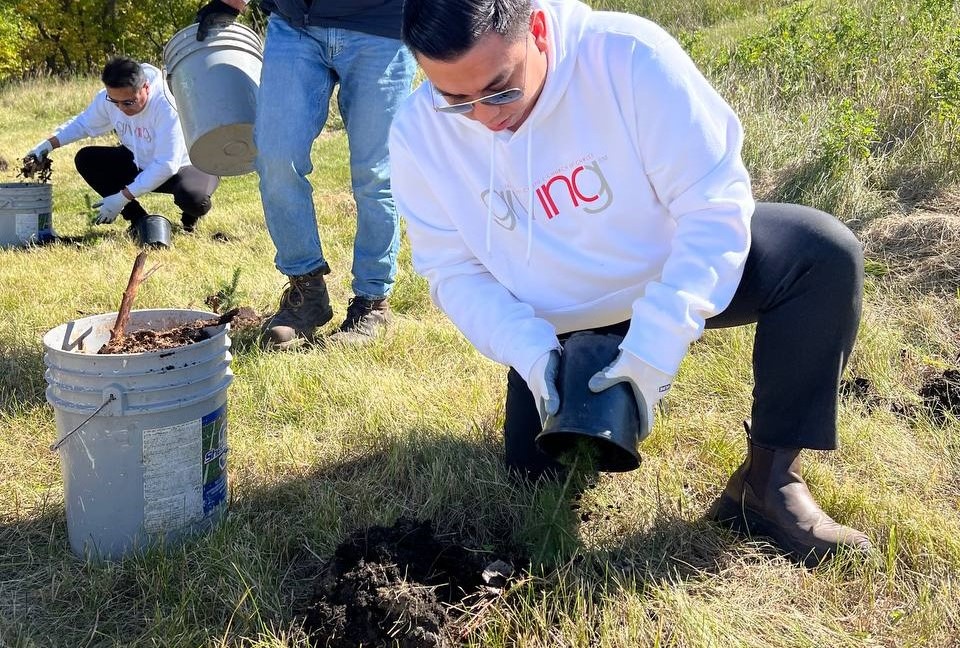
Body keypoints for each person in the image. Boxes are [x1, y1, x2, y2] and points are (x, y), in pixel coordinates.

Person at [390, 0, 872, 567]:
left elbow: (712, 206)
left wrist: (657, 344)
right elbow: (453, 270)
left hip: (662, 272)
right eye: (455, 100)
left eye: (499, 89)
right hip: (559, 321)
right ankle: (572, 373)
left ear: (538, 29)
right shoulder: (418, 135)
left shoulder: (628, 58)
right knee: (533, 473)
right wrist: (530, 352)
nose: (484, 116)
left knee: (821, 253)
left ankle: (767, 482)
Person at [194, 0, 416, 348]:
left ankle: (372, 303)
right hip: (295, 24)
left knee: (375, 175)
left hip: (382, 28)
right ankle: (306, 293)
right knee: (276, 158)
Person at [25, 57, 219, 237]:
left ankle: (189, 219)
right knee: (87, 159)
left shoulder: (167, 106)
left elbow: (167, 164)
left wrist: (122, 197)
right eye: (114, 101)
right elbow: (83, 124)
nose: (121, 109)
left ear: (146, 87)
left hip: (187, 164)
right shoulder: (110, 99)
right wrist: (46, 146)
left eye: (128, 102)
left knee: (195, 200)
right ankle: (138, 220)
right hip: (138, 159)